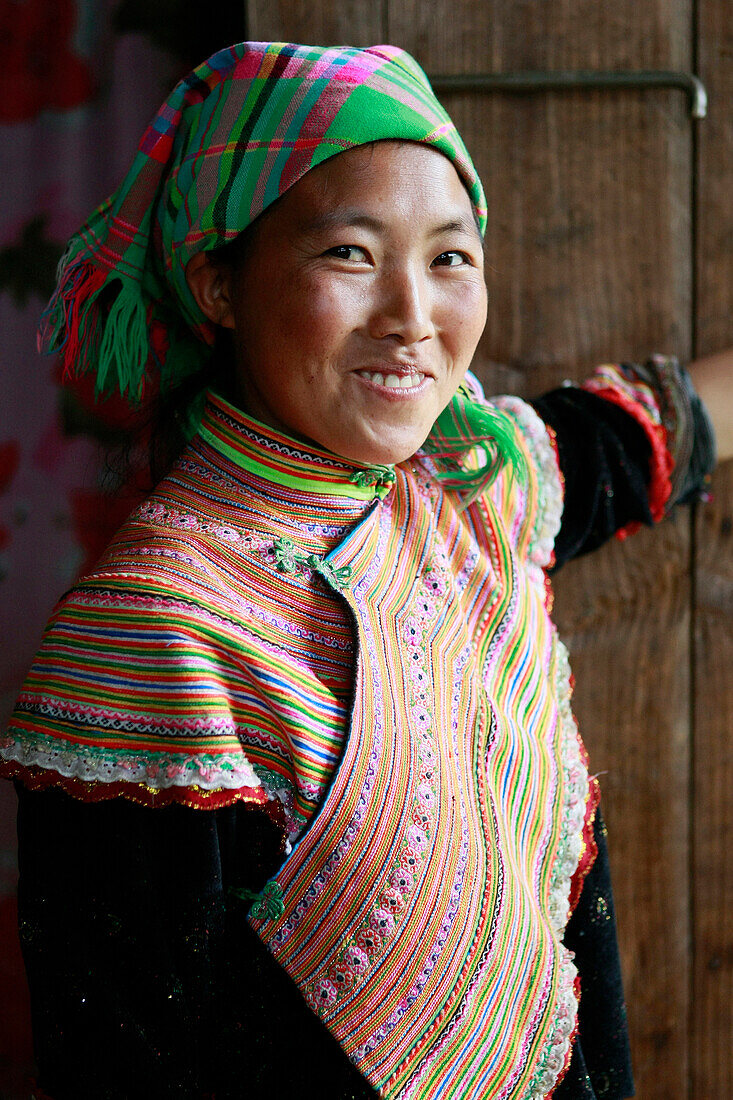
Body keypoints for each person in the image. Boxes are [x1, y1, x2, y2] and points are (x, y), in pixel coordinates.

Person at [1, 41, 730, 1100]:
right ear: (220, 281)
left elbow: (639, 433)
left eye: (449, 257)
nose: (413, 316)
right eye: (349, 252)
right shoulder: (153, 633)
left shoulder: (471, 493)